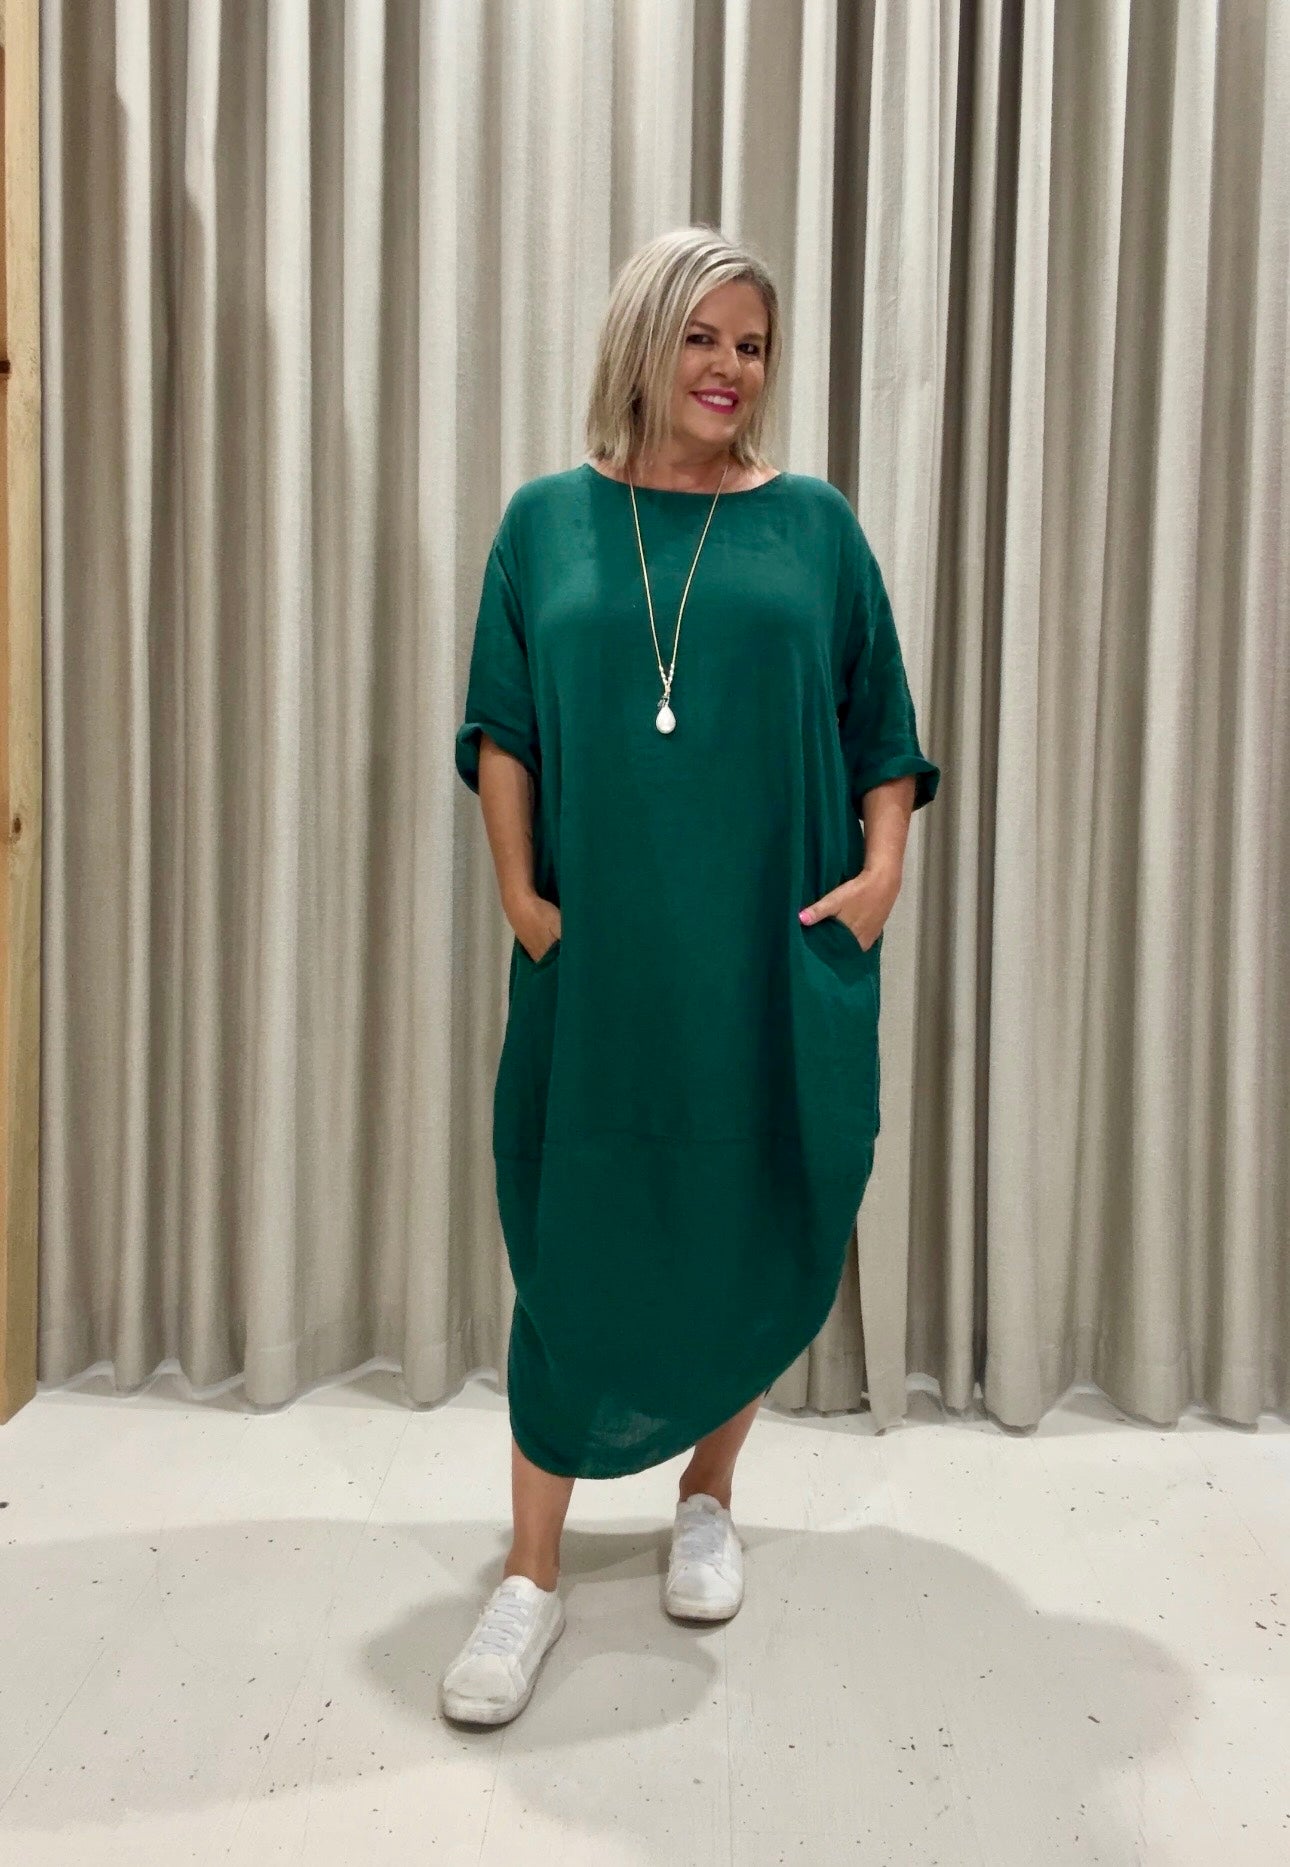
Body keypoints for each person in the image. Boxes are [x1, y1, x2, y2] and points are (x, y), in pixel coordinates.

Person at [443, 225, 941, 1725]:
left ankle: (708, 1496)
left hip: (766, 953)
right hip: (602, 960)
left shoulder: (811, 528)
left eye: (753, 346)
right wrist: (522, 898)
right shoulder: (548, 523)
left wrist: (880, 872)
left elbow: (880, 726)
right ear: (643, 340)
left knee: (751, 1205)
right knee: (572, 1230)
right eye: (703, 337)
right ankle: (530, 1572)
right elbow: (505, 728)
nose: (729, 369)